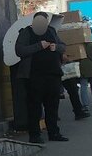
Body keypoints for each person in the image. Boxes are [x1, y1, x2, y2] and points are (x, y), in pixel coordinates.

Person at [15, 11, 68, 143]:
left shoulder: (51, 31)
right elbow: (19, 51)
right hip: (34, 76)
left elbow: (63, 46)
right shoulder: (26, 32)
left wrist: (56, 47)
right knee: (34, 107)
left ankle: (54, 133)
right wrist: (39, 46)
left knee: (52, 106)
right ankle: (34, 135)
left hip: (53, 74)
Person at [60, 55, 89, 120]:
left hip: (60, 70)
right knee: (73, 92)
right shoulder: (59, 50)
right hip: (64, 72)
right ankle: (78, 111)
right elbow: (64, 57)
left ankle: (78, 111)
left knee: (73, 91)